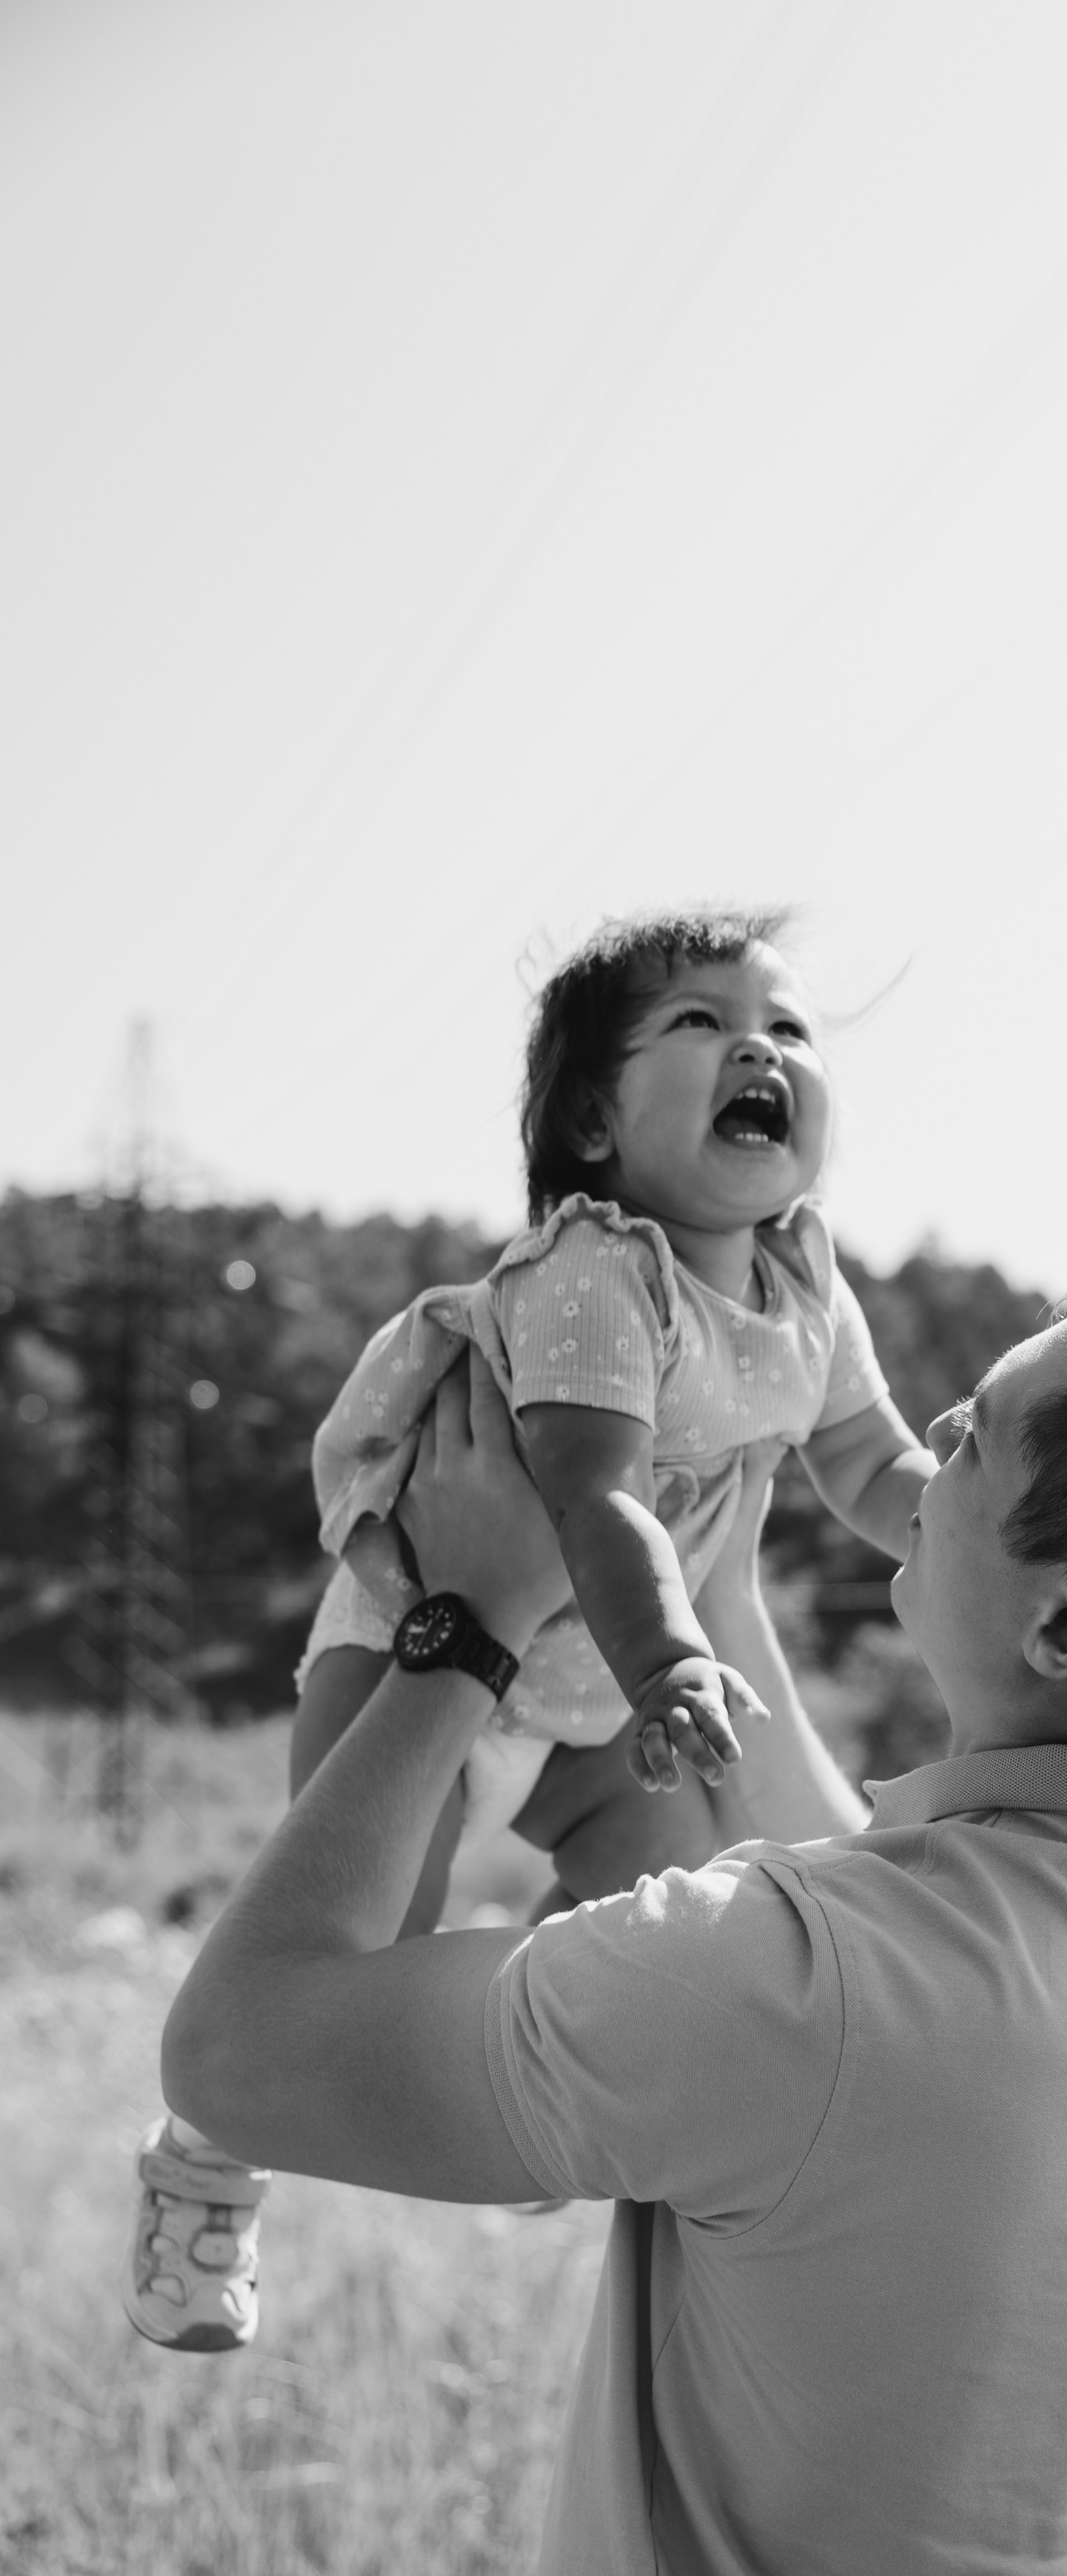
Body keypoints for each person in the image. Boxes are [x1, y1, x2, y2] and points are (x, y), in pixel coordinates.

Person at [159, 1262, 1067, 2574]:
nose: (929, 1435)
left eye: (976, 1436)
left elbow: (237, 2054)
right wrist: (709, 1583)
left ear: (1065, 1620)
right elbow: (896, 1945)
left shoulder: (780, 1983)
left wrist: (472, 1621)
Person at [123, 905, 932, 2353]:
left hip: (601, 1699)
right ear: (588, 1120)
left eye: (787, 1028)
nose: (758, 1046)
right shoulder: (595, 1275)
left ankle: (546, 2075)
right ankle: (205, 2156)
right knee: (357, 1943)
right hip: (427, 1649)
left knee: (661, 1898)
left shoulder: (808, 1284)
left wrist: (960, 1535)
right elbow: (590, 1496)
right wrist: (679, 1656)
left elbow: (868, 1461)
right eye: (696, 1023)